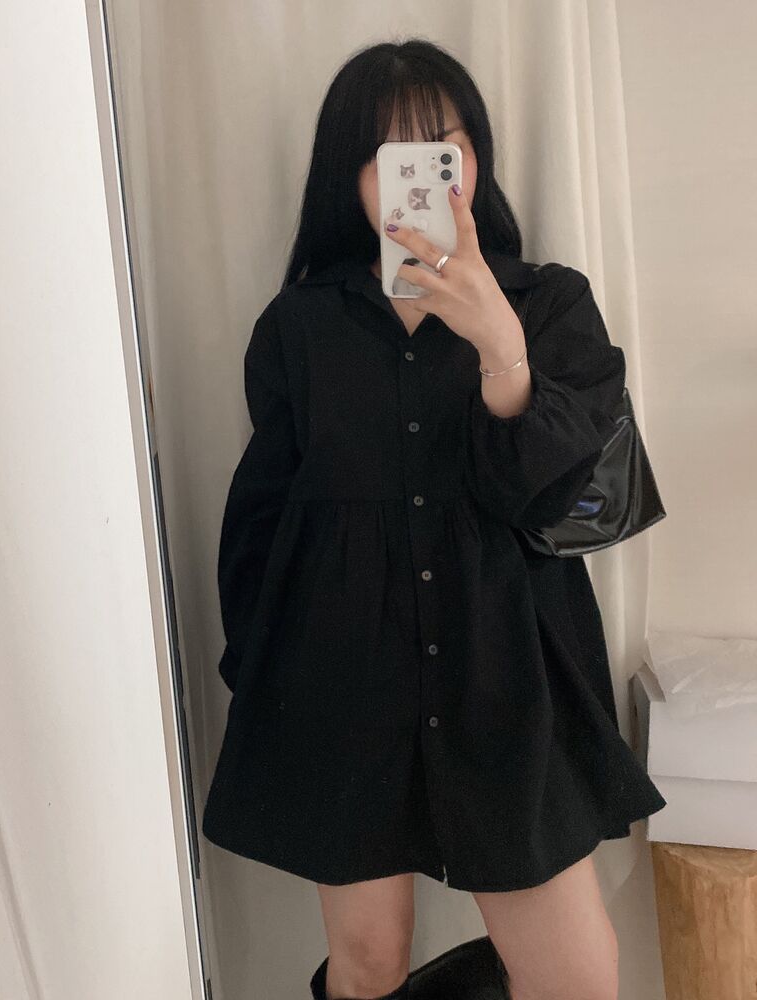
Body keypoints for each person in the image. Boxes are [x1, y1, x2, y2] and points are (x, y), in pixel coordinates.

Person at [201, 37, 666, 1000]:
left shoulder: (548, 304)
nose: (422, 175)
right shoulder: (300, 327)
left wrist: (500, 346)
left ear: (474, 158)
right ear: (350, 177)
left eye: (441, 148)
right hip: (342, 676)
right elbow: (261, 514)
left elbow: (557, 499)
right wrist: (259, 667)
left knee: (577, 977)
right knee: (369, 962)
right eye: (391, 155)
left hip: (509, 675)